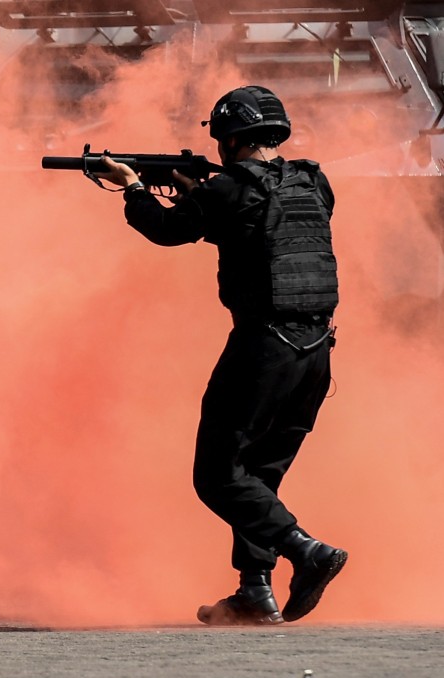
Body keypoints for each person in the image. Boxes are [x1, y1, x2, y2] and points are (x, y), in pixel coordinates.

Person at [93, 85, 348, 625]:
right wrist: (198, 192)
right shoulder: (313, 182)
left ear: (230, 138)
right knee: (259, 474)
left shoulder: (228, 188)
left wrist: (133, 185)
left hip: (264, 348)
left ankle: (306, 551)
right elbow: (258, 232)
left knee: (218, 476)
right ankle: (255, 591)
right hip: (316, 352)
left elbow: (166, 230)